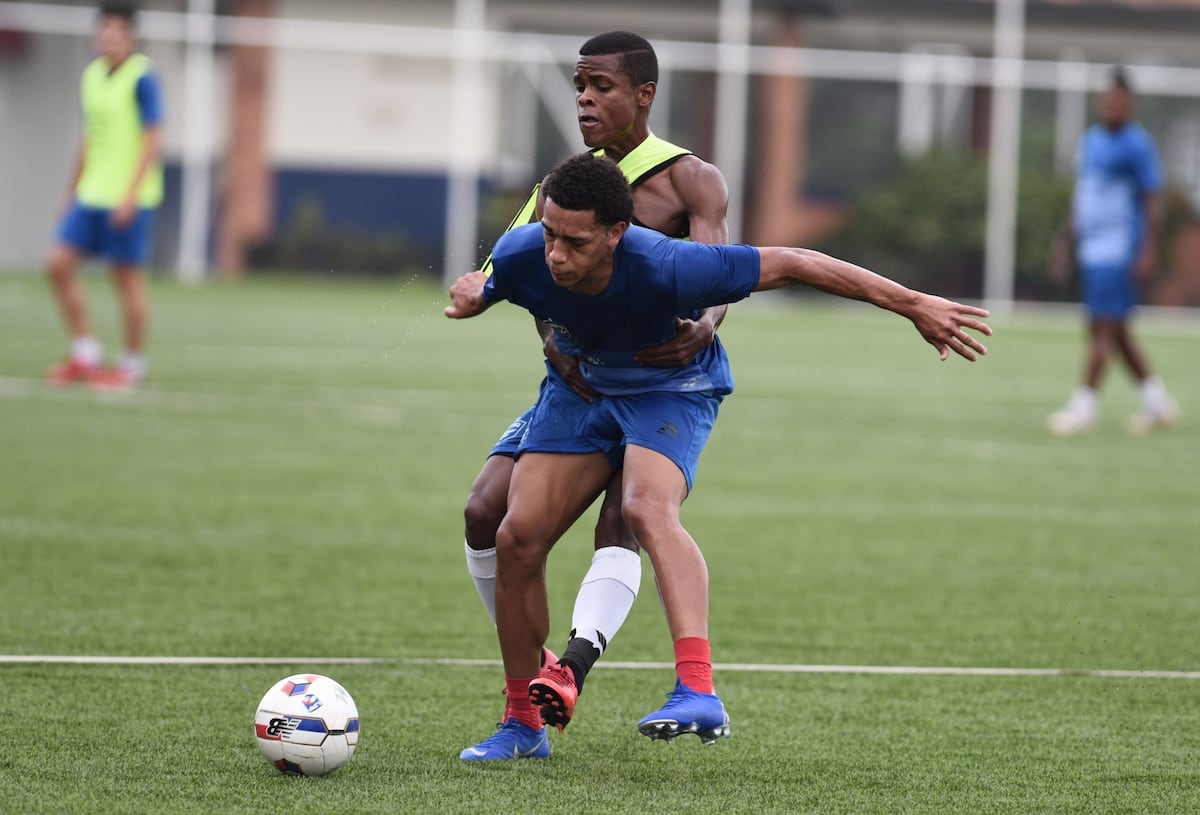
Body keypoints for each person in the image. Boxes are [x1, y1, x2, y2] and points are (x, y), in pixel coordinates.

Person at [445, 153, 992, 760]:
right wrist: (478, 293)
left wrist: (913, 303)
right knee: (517, 535)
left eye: (575, 242)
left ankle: (697, 689)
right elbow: (499, 284)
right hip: (583, 389)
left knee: (645, 507)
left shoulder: (667, 264)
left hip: (669, 388)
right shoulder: (522, 253)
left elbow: (796, 262)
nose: (556, 254)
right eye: (550, 234)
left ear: (616, 233)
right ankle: (523, 723)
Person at [460, 31, 730, 735]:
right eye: (579, 86)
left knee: (629, 513)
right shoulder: (564, 185)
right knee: (485, 510)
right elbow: (517, 275)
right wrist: (551, 341)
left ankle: (570, 669)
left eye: (599, 86)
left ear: (644, 94)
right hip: (580, 382)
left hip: (656, 383)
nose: (584, 98)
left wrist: (704, 326)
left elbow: (715, 276)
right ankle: (537, 659)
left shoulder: (689, 179)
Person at [1046, 66, 1179, 435]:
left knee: (1102, 328)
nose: (1110, 106)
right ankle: (1157, 403)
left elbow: (1152, 201)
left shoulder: (1137, 145)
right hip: (1092, 248)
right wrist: (1064, 243)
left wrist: (1147, 251)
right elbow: (1082, 196)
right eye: (1106, 99)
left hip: (1118, 250)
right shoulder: (1092, 140)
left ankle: (1083, 408)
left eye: (1118, 100)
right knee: (1115, 330)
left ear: (1130, 103)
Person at [44, 2, 164, 393]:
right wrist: (71, 190)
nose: (108, 36)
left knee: (125, 280)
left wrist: (130, 195)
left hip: (129, 198)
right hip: (91, 194)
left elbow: (153, 138)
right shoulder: (92, 76)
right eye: (104, 29)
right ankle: (86, 353)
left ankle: (131, 367)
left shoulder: (142, 77)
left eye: (117, 29)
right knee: (57, 266)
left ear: (131, 35)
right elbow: (89, 139)